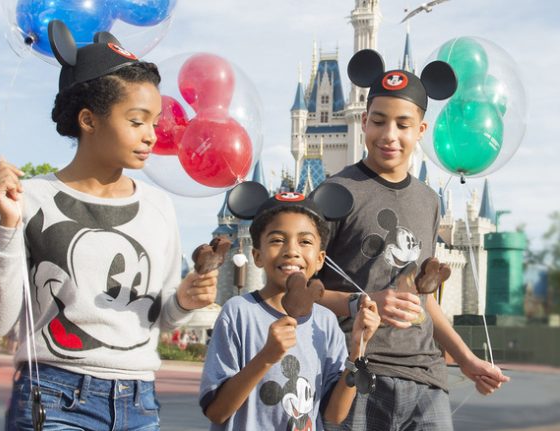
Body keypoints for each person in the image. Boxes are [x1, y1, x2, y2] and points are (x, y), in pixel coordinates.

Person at [0, 20, 217, 431]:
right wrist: (8, 226)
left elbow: (159, 318)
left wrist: (186, 300)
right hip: (52, 398)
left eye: (155, 124)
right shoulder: (28, 199)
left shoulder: (158, 205)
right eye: (137, 121)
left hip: (140, 402)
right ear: (89, 120)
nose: (152, 136)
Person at [317, 49, 510, 430]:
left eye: (403, 124)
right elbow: (299, 291)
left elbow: (423, 300)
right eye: (378, 121)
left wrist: (467, 360)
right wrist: (363, 303)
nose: (389, 135)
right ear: (364, 121)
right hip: (358, 373)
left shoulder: (428, 201)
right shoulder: (333, 194)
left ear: (420, 130)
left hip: (427, 378)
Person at [199, 189, 381, 430]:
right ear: (257, 255)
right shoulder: (238, 313)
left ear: (320, 259)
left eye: (305, 241)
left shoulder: (325, 322)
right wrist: (267, 356)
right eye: (277, 240)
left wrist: (358, 348)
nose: (291, 250)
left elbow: (334, 414)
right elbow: (216, 411)